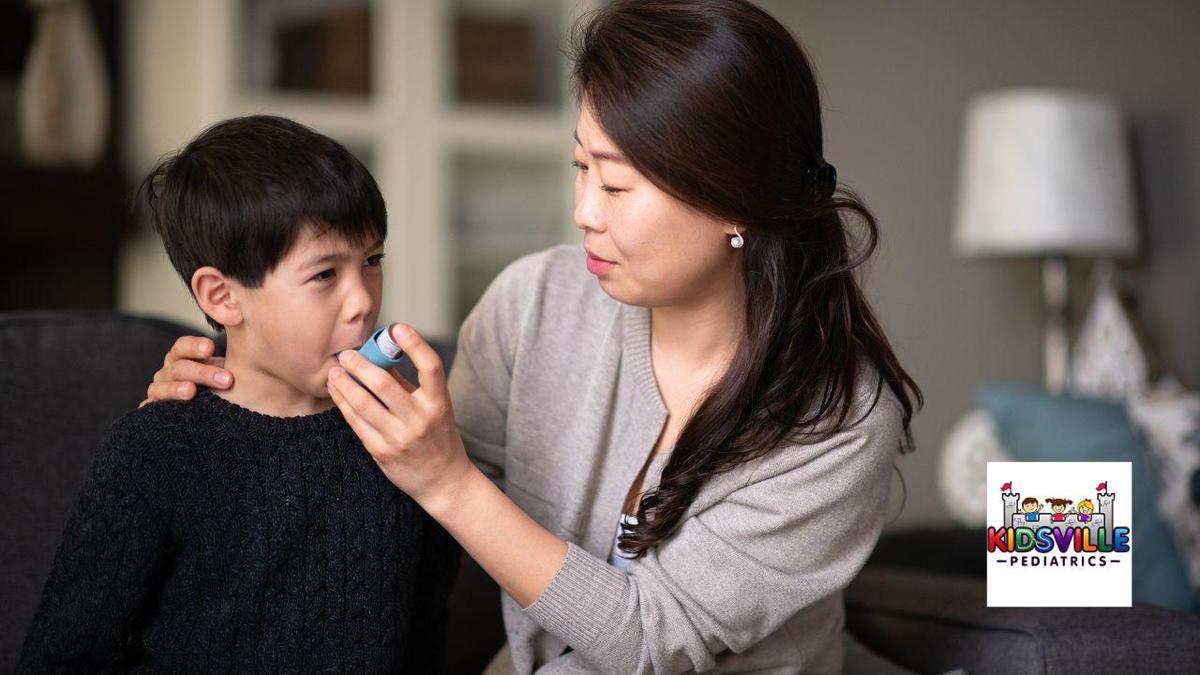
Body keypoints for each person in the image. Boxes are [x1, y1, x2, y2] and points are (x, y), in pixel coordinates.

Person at [145, 1, 923, 672]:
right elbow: (376, 495)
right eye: (581, 166)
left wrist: (450, 481)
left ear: (736, 202)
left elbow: (653, 642)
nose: (585, 210)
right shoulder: (537, 301)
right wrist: (246, 401)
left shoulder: (841, 416)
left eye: (617, 184)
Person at [20, 115, 459, 672]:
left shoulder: (407, 442)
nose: (362, 302)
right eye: (325, 274)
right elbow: (62, 657)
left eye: (372, 261)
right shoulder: (158, 448)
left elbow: (424, 633)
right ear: (223, 298)